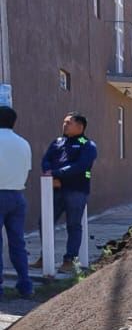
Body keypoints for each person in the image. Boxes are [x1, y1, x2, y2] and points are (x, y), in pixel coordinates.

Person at [41, 113, 97, 273]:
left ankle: (69, 259)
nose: (64, 125)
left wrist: (56, 173)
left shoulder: (87, 145)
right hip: (55, 189)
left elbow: (80, 166)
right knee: (44, 222)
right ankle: (44, 256)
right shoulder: (57, 142)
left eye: (69, 123)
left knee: (73, 225)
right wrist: (49, 173)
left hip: (76, 190)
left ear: (80, 127)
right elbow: (46, 159)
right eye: (64, 122)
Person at [0, 106, 34, 299]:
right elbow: (26, 169)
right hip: (17, 196)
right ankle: (25, 284)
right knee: (17, 242)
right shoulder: (23, 143)